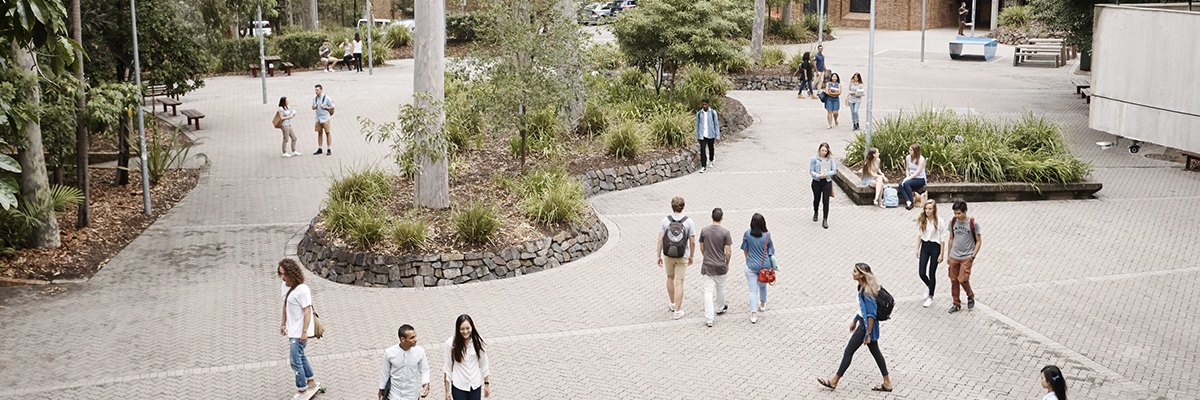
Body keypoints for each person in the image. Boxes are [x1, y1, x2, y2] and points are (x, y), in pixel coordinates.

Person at [817, 263, 893, 393]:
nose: (853, 273)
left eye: (855, 271)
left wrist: (868, 334)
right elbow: (862, 309)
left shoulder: (867, 292)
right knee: (876, 353)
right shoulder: (861, 287)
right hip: (864, 325)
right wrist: (855, 320)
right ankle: (887, 383)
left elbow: (871, 314)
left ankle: (834, 381)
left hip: (866, 328)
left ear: (862, 275)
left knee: (848, 352)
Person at [279, 259, 318, 400]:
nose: (282, 277)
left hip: (300, 331)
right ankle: (310, 381)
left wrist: (304, 332)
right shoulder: (284, 286)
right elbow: (285, 305)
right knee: (300, 356)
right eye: (280, 273)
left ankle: (302, 391)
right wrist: (283, 324)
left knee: (295, 361)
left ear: (292, 273)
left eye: (285, 274)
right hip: (292, 329)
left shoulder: (302, 289)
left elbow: (307, 310)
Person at [657, 197, 697, 319]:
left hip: (668, 254)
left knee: (670, 277)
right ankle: (677, 311)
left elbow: (660, 239)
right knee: (679, 282)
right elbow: (692, 241)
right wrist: (691, 256)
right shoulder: (689, 222)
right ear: (683, 207)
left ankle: (672, 303)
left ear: (672, 206)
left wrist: (658, 255)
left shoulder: (665, 221)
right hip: (682, 255)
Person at [698, 207, 732, 327]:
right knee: (720, 288)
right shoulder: (725, 233)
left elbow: (702, 247)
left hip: (708, 266)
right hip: (720, 265)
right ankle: (720, 307)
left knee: (708, 291)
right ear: (722, 218)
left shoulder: (704, 231)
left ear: (711, 217)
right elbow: (728, 251)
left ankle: (709, 318)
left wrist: (706, 256)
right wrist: (727, 263)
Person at [946, 200, 982, 313]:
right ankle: (956, 303)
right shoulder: (953, 221)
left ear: (965, 211)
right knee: (953, 280)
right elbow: (951, 238)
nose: (956, 216)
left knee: (962, 279)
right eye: (955, 213)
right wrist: (949, 255)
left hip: (967, 256)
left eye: (959, 213)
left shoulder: (973, 223)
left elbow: (979, 241)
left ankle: (970, 295)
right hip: (954, 255)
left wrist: (973, 256)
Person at [444, 315, 490, 400]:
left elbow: (484, 364)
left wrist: (486, 384)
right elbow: (447, 367)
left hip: (475, 385)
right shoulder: (450, 343)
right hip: (459, 385)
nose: (465, 331)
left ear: (472, 327)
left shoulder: (479, 341)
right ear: (458, 329)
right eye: (462, 329)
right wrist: (447, 391)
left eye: (468, 328)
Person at [739, 213, 774, 324]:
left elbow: (745, 249)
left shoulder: (747, 234)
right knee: (763, 286)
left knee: (752, 290)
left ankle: (753, 314)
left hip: (751, 266)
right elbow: (771, 251)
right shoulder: (767, 235)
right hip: (765, 266)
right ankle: (763, 303)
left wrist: (747, 260)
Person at [380, 324, 430, 400]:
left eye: (415, 336)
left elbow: (424, 370)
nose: (415, 339)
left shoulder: (420, 352)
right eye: (412, 338)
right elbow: (385, 373)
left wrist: (425, 384)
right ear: (402, 339)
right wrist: (381, 393)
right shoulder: (389, 352)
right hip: (394, 396)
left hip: (412, 396)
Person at [916, 200, 947, 308]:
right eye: (926, 209)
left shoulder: (940, 221)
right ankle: (930, 286)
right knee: (921, 272)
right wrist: (917, 249)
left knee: (931, 272)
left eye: (930, 209)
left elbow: (942, 238)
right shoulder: (923, 220)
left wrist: (941, 254)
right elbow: (920, 235)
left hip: (935, 247)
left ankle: (930, 297)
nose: (927, 211)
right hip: (925, 246)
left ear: (934, 209)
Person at [810, 143, 837, 229]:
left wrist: (826, 174)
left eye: (825, 151)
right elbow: (811, 171)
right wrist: (818, 175)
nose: (824, 152)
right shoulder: (814, 159)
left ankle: (825, 219)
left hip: (826, 182)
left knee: (826, 201)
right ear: (819, 150)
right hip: (817, 182)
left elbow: (834, 171)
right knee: (816, 199)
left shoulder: (830, 159)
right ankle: (816, 212)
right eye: (822, 150)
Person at [695, 98, 720, 173]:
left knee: (711, 148)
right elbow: (697, 125)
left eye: (705, 104)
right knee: (702, 150)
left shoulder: (713, 113)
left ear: (708, 104)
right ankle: (703, 166)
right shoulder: (699, 113)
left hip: (710, 134)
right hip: (702, 135)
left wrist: (717, 136)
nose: (704, 106)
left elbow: (716, 125)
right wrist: (698, 135)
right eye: (703, 104)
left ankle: (711, 160)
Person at [900, 144, 926, 210]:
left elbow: (917, 172)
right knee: (900, 184)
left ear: (915, 151)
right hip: (911, 177)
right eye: (909, 149)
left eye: (911, 150)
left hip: (920, 178)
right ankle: (908, 201)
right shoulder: (908, 157)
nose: (909, 151)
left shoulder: (921, 159)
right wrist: (907, 176)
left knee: (906, 183)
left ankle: (911, 202)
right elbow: (907, 169)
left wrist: (907, 179)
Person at [312, 84, 335, 156]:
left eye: (317, 90)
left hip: (325, 118)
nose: (316, 91)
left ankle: (329, 148)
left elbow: (332, 106)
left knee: (327, 133)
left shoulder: (326, 98)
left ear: (321, 90)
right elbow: (313, 107)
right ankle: (320, 148)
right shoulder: (315, 98)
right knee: (319, 133)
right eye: (315, 90)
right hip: (318, 118)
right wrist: (314, 107)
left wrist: (325, 107)